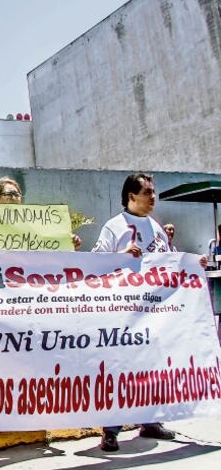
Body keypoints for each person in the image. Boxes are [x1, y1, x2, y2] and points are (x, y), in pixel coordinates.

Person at [91, 172, 181, 451]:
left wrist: (178, 250)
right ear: (131, 196)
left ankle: (150, 419)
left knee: (151, 367)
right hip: (123, 313)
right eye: (148, 192)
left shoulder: (155, 227)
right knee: (121, 371)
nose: (153, 197)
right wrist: (121, 256)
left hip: (152, 313)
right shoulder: (114, 227)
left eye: (154, 192)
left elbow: (166, 263)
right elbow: (96, 261)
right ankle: (111, 430)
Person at [0, 177, 82, 249]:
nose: (13, 198)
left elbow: (49, 248)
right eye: (8, 194)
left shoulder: (37, 224)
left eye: (16, 194)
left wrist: (68, 242)